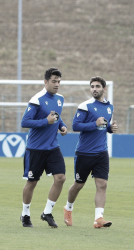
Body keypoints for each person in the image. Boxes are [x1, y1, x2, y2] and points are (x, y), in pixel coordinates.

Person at [64, 76, 117, 228]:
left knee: (102, 184)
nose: (94, 89)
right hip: (84, 153)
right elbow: (76, 126)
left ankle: (98, 219)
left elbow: (103, 127)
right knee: (78, 184)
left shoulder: (109, 107)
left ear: (104, 89)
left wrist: (110, 129)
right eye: (92, 86)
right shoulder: (85, 106)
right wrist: (94, 123)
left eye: (97, 86)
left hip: (101, 152)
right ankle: (68, 208)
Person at [20, 68, 67, 228]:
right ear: (45, 82)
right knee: (32, 183)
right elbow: (25, 122)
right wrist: (45, 122)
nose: (57, 84)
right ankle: (25, 214)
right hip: (35, 149)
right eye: (54, 81)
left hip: (53, 148)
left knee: (60, 178)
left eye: (59, 81)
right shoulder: (37, 99)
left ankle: (47, 212)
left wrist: (62, 126)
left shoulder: (60, 99)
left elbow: (57, 117)